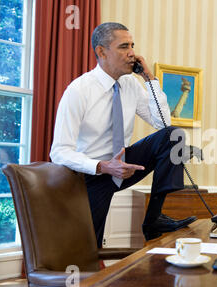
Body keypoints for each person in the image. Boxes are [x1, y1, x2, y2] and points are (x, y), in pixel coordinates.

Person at [50, 22, 196, 247]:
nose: (132, 53)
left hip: (124, 166)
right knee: (88, 246)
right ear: (101, 52)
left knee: (172, 136)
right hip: (90, 176)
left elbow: (164, 123)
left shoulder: (131, 84)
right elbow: (58, 152)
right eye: (124, 47)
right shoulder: (79, 91)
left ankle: (153, 219)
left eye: (132, 46)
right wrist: (103, 166)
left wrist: (150, 80)